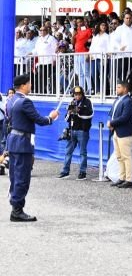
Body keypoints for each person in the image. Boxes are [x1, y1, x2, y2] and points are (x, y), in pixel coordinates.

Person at [6, 74, 59, 222]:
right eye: (29, 83)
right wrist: (51, 117)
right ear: (23, 85)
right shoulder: (25, 102)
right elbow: (39, 120)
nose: (30, 85)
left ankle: (15, 206)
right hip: (23, 143)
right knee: (22, 177)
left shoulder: (11, 100)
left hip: (13, 141)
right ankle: (17, 210)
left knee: (15, 176)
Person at [57, 86, 94, 180]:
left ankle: (82, 172)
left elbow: (90, 115)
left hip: (82, 130)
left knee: (82, 152)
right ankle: (65, 171)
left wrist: (78, 112)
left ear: (82, 94)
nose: (77, 96)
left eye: (79, 94)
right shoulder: (72, 102)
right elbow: (66, 119)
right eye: (75, 94)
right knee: (68, 151)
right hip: (72, 130)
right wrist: (69, 113)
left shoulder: (88, 102)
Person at [107, 80, 132, 188]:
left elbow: (125, 117)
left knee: (126, 156)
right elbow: (112, 114)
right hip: (117, 131)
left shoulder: (128, 102)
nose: (116, 89)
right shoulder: (117, 100)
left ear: (125, 89)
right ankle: (122, 177)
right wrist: (111, 123)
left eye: (118, 87)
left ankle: (129, 180)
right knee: (119, 156)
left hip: (125, 132)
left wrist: (112, 123)